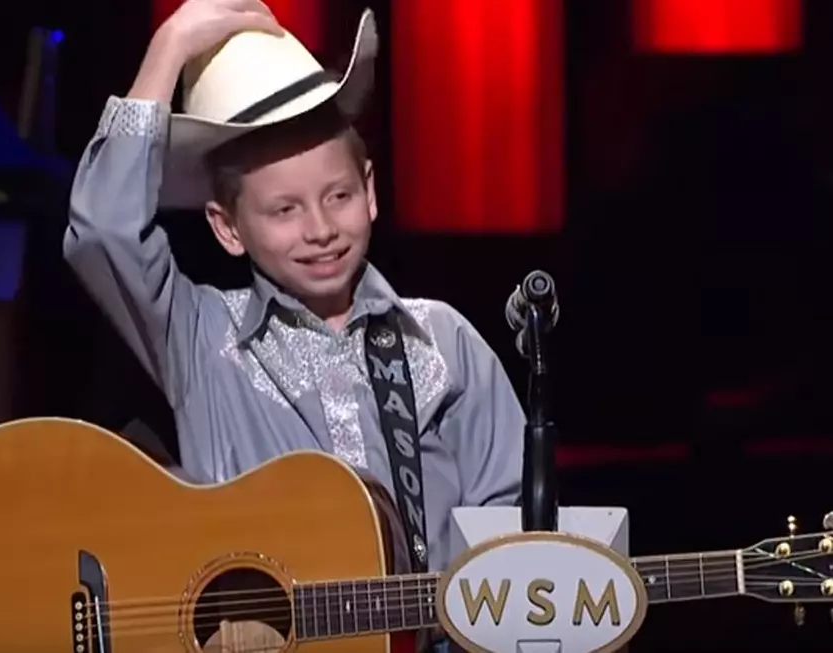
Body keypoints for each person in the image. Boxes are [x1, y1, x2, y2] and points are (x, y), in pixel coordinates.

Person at [64, 0, 524, 621]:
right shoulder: (202, 338)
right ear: (228, 229)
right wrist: (169, 45)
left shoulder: (442, 340)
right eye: (284, 210)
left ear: (370, 190)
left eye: (337, 196)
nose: (320, 229)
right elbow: (103, 234)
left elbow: (511, 531)